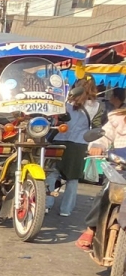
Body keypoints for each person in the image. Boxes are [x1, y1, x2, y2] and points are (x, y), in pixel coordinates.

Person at [76, 102, 126, 250]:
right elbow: (103, 137)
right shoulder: (118, 119)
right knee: (106, 193)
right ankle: (92, 228)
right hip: (120, 168)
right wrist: (98, 146)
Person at [54, 78, 105, 217]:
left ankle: (46, 204)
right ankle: (66, 210)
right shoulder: (97, 106)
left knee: (52, 172)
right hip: (79, 143)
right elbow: (96, 127)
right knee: (73, 178)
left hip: (58, 139)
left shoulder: (64, 102)